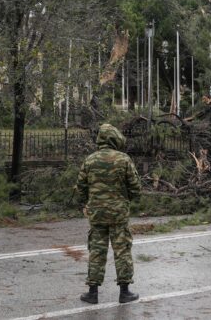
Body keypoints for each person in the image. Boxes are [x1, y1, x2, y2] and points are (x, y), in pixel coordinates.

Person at [76, 123, 141, 305]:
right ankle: (125, 292)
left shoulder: (90, 160)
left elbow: (80, 187)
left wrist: (86, 203)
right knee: (122, 251)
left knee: (96, 251)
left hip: (96, 214)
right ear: (115, 138)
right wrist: (127, 200)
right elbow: (136, 187)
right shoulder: (124, 159)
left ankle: (92, 293)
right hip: (119, 213)